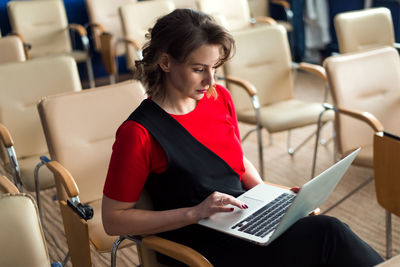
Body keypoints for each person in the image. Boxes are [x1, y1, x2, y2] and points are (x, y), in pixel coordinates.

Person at [102, 8, 383, 267]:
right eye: (198, 69)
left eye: (215, 68)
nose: (210, 81)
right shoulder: (138, 133)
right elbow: (114, 220)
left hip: (243, 221)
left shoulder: (218, 98)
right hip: (198, 244)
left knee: (324, 236)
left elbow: (236, 160)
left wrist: (272, 198)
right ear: (165, 62)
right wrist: (195, 212)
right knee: (328, 235)